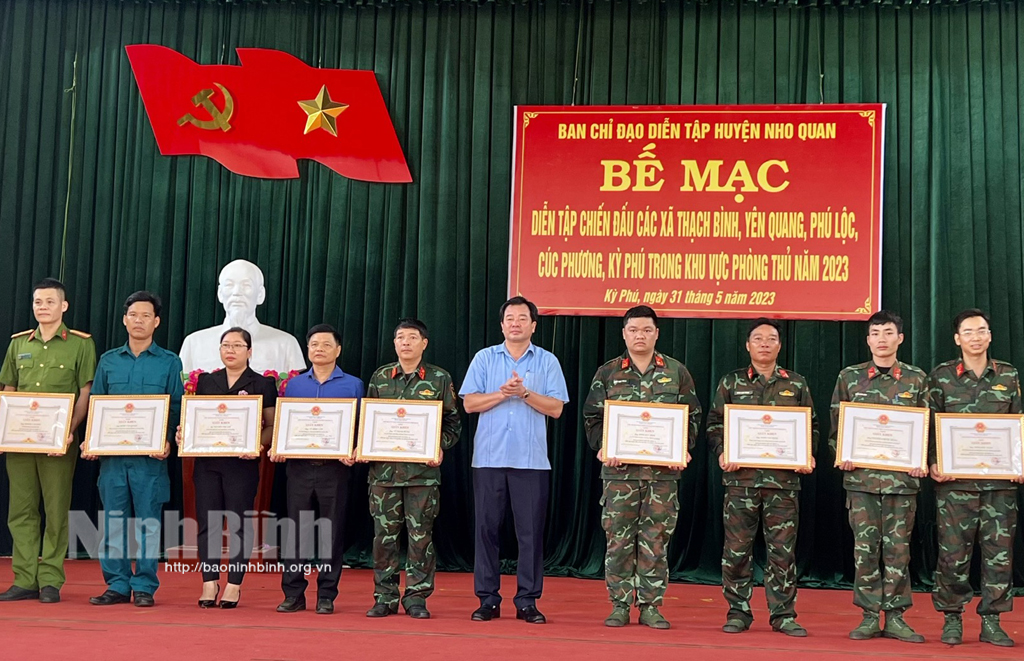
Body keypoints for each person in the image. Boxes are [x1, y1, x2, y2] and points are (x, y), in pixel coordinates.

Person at [582, 306, 701, 629]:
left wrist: (683, 448)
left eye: (646, 330)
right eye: (633, 330)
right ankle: (619, 604)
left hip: (662, 476)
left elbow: (692, 416)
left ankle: (650, 605)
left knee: (656, 540)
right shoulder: (608, 373)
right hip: (619, 475)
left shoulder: (676, 372)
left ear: (656, 333)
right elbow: (592, 418)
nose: (640, 336)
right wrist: (603, 447)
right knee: (619, 542)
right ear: (624, 333)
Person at [460, 296, 568, 624]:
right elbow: (469, 404)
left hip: (531, 460)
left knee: (530, 534)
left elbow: (556, 408)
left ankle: (527, 601)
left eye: (523, 318)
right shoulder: (484, 358)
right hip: (489, 459)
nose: (516, 323)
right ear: (502, 324)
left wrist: (524, 394)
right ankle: (487, 600)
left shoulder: (547, 361)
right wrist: (502, 393)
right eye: (510, 318)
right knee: (486, 530)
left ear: (534, 325)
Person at [706, 318, 817, 637]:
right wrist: (722, 452)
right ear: (748, 345)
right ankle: (738, 610)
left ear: (780, 345)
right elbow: (714, 424)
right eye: (758, 338)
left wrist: (807, 454)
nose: (764, 343)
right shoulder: (731, 382)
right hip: (740, 482)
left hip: (783, 484)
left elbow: (811, 426)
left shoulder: (795, 384)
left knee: (782, 552)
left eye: (771, 338)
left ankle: (783, 614)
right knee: (737, 550)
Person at [829, 310, 929, 642]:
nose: (882, 338)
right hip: (862, 482)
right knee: (865, 549)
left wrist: (922, 459)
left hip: (902, 481)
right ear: (868, 339)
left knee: (899, 550)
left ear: (900, 338)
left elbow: (927, 430)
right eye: (875, 333)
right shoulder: (850, 377)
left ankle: (897, 617)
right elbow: (836, 430)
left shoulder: (917, 379)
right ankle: (870, 615)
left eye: (888, 332)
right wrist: (841, 454)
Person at [928, 308, 1024, 647]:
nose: (975, 336)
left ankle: (993, 621)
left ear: (990, 335)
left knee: (999, 554)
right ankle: (952, 618)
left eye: (981, 330)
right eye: (968, 331)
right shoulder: (941, 376)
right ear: (958, 339)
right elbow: (928, 425)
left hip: (1000, 485)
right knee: (952, 554)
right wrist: (931, 462)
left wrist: (1019, 461)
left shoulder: (1008, 375)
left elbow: (1018, 424)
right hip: (955, 485)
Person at [84, 291, 184, 608]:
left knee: (148, 523)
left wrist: (167, 439)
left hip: (150, 459)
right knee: (114, 521)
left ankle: (144, 585)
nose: (138, 320)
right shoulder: (108, 360)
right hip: (113, 459)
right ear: (125, 319)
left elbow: (177, 406)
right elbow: (97, 403)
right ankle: (116, 584)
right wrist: (91, 439)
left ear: (156, 321)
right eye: (133, 315)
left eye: (145, 315)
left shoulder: (169, 362)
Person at [0, 278, 96, 604]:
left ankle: (51, 579)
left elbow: (85, 392)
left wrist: (71, 428)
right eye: (38, 302)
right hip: (20, 442)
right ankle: (25, 578)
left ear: (63, 306)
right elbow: (8, 389)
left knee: (55, 511)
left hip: (59, 441)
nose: (43, 307)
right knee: (21, 510)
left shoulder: (81, 344)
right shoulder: (18, 344)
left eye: (50, 302)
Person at [363, 318, 461, 619]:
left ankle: (417, 597)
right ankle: (385, 597)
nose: (405, 342)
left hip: (422, 475)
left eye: (412, 337)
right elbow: (370, 421)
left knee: (421, 538)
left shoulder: (439, 378)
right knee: (384, 539)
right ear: (394, 343)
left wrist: (437, 448)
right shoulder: (380, 377)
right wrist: (366, 445)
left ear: (424, 343)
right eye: (400, 337)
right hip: (384, 474)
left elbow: (452, 423)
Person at [177, 327, 277, 608]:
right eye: (225, 345)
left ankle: (234, 584)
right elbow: (199, 421)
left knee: (239, 525)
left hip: (242, 466)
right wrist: (185, 433)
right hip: (208, 464)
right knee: (207, 523)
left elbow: (271, 425)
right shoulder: (207, 382)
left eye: (237, 345)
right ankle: (209, 581)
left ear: (249, 351)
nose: (230, 350)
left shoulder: (262, 384)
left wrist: (256, 445)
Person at [272, 324, 363, 615]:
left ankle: (326, 594)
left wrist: (353, 449)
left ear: (338, 350)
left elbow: (360, 425)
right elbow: (285, 424)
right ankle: (293, 594)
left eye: (326, 344)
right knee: (296, 532)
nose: (319, 349)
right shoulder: (295, 385)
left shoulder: (353, 384)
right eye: (313, 344)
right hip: (298, 468)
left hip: (334, 469)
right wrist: (278, 446)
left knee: (330, 532)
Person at [179, 259, 304, 374]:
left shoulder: (286, 344)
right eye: (229, 285)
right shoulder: (194, 343)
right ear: (220, 294)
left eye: (246, 285)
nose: (237, 292)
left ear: (260, 294)